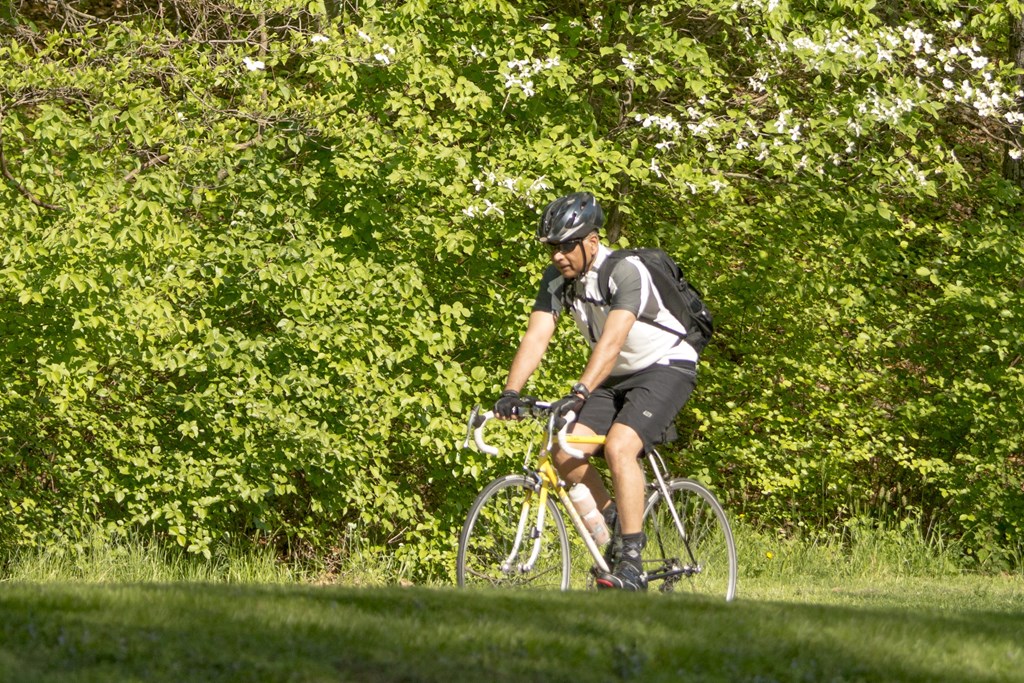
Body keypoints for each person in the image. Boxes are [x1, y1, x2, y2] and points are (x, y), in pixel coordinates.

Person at [493, 191, 699, 591]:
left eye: (566, 245)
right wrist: (510, 391)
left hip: (665, 366)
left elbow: (613, 341)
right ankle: (618, 524)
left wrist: (582, 390)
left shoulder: (626, 272)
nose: (557, 255)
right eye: (552, 247)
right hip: (615, 375)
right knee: (564, 454)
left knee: (621, 446)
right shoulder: (557, 280)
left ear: (591, 241)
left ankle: (632, 564)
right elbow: (537, 335)